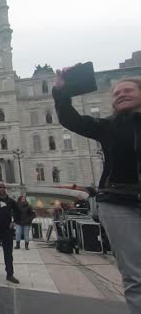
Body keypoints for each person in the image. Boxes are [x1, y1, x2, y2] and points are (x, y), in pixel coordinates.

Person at [54, 74, 141, 312]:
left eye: (127, 90)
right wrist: (62, 93)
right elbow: (71, 120)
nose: (120, 94)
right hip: (120, 202)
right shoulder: (109, 126)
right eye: (116, 93)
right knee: (135, 274)